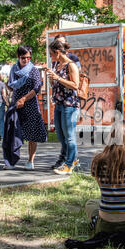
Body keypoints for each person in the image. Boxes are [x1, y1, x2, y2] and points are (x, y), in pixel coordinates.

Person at [5, 46, 47, 170]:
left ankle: (30, 161)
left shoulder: (33, 70)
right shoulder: (14, 69)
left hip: (30, 105)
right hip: (16, 105)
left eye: (29, 57)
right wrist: (8, 86)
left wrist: (24, 99)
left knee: (32, 134)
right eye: (24, 58)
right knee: (12, 133)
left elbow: (36, 88)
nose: (26, 60)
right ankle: (11, 161)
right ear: (18, 57)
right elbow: (12, 87)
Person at [46, 40, 81, 175]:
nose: (50, 57)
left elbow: (75, 85)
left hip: (69, 105)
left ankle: (68, 164)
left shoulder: (71, 65)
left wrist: (58, 78)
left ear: (58, 52)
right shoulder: (57, 64)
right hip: (59, 104)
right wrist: (51, 78)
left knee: (70, 136)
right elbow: (53, 84)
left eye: (51, 54)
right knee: (61, 135)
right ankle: (72, 160)